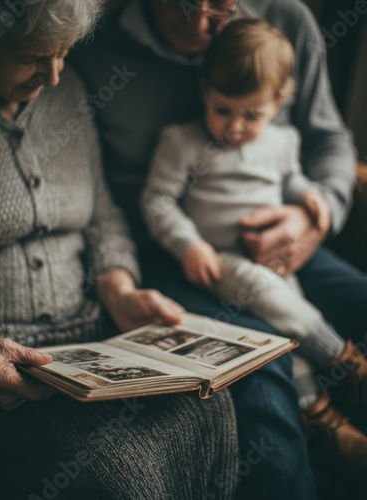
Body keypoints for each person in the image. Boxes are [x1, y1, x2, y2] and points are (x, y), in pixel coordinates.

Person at [71, 0, 367, 497]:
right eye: (181, 6)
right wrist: (182, 247)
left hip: (288, 248)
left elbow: (322, 146)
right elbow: (147, 201)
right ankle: (331, 382)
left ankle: (331, 412)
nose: (199, 22)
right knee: (263, 354)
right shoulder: (93, 48)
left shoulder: (287, 22)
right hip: (190, 260)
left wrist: (313, 212)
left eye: (219, 8)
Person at [0, 1, 239, 499]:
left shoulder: (67, 93)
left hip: (85, 338)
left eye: (64, 53)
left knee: (209, 406)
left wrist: (117, 286)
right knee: (120, 476)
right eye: (31, 55)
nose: (52, 76)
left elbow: (103, 216)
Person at [141, 17, 367, 427]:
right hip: (219, 258)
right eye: (222, 110)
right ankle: (343, 357)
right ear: (204, 91)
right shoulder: (183, 141)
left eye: (251, 114)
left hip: (277, 256)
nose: (233, 126)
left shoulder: (283, 141)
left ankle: (319, 418)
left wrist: (310, 196)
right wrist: (188, 244)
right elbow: (158, 201)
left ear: (278, 104)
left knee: (288, 325)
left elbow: (291, 179)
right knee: (264, 291)